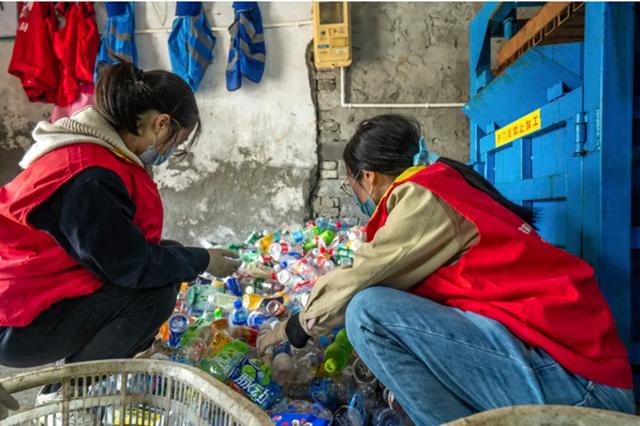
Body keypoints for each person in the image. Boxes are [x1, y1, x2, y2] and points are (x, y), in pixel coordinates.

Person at [258, 114, 635, 425]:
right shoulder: (443, 185)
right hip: (574, 371)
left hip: (580, 386)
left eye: (352, 184)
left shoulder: (423, 197)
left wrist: (293, 329)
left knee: (366, 312)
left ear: (368, 176)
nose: (357, 194)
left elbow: (363, 276)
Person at [0, 63, 240, 373]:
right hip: (15, 322)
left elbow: (123, 252)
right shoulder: (90, 178)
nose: (168, 153)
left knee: (168, 254)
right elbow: (133, 267)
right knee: (155, 290)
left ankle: (109, 360)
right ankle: (74, 391)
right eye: (175, 143)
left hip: (31, 296)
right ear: (161, 124)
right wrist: (203, 260)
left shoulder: (89, 150)